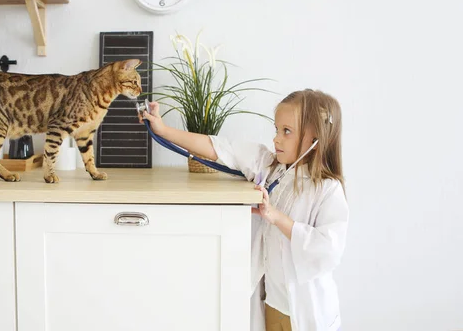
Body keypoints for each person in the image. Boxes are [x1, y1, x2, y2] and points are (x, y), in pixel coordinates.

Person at [140, 89, 349, 331]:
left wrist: (277, 218)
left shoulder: (327, 189)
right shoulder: (270, 167)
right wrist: (163, 130)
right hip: (271, 305)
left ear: (315, 138)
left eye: (286, 131)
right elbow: (219, 147)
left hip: (305, 313)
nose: (276, 139)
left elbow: (329, 249)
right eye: (277, 129)